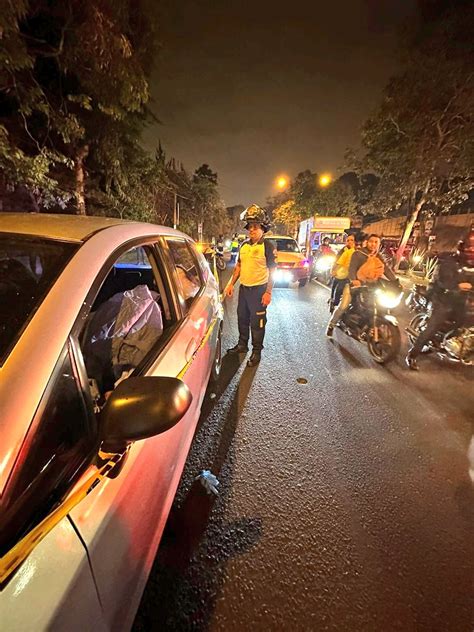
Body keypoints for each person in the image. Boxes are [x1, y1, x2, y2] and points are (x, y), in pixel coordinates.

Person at [406, 229, 474, 370]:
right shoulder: (449, 261)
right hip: (442, 298)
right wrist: (457, 285)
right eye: (470, 246)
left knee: (465, 322)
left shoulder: (471, 265)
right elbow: (443, 281)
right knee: (433, 327)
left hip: (460, 301)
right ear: (462, 246)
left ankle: (455, 343)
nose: (472, 249)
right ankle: (412, 355)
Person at [225, 204, 276, 366]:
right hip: (244, 289)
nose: (251, 230)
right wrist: (231, 284)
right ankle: (242, 345)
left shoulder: (267, 246)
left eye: (255, 227)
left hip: (259, 290)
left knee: (257, 323)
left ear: (263, 228)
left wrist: (268, 292)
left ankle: (256, 351)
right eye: (250, 227)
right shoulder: (244, 245)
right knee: (242, 318)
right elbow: (239, 266)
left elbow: (272, 270)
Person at [326, 233, 396, 337]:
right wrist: (354, 280)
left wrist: (395, 282)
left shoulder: (378, 257)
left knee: (379, 307)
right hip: (355, 286)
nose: (373, 244)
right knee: (343, 305)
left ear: (379, 244)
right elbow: (352, 269)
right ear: (366, 243)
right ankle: (331, 325)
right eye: (371, 242)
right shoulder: (358, 254)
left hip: (372, 287)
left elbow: (386, 270)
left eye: (376, 242)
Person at [329, 233, 356, 311]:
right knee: (337, 288)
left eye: (352, 240)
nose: (350, 242)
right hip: (341, 274)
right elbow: (337, 261)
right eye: (348, 240)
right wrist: (333, 270)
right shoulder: (344, 251)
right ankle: (334, 303)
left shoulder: (358, 252)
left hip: (352, 276)